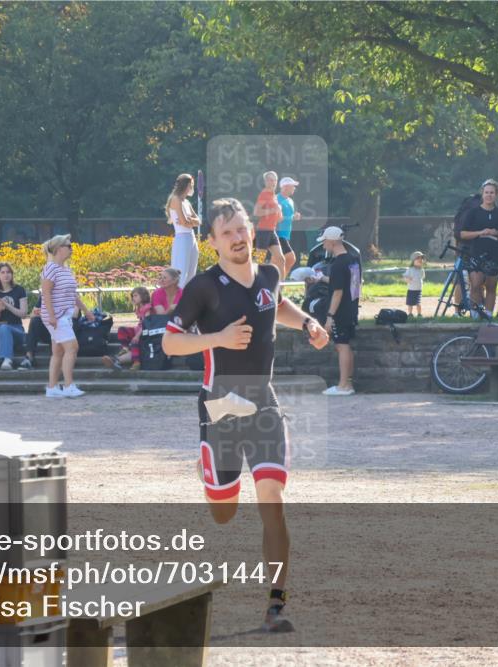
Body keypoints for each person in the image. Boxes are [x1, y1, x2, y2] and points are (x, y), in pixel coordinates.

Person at [162, 197, 329, 633]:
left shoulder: (270, 274)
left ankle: (276, 603)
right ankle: (208, 473)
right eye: (227, 232)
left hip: (263, 403)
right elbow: (170, 342)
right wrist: (217, 338)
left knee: (271, 497)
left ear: (251, 232)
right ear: (213, 242)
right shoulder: (203, 287)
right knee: (224, 513)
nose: (237, 238)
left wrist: (308, 322)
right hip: (219, 406)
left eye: (241, 229)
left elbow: (275, 303)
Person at [41, 234, 96, 398]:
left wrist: (86, 310)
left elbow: (73, 294)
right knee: (72, 347)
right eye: (69, 246)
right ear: (59, 249)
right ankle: (68, 385)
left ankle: (52, 387)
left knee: (58, 351)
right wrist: (52, 316)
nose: (72, 249)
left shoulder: (66, 269)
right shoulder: (50, 268)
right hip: (56, 316)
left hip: (64, 315)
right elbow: (46, 293)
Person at [316, 226, 361, 396]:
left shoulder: (337, 264)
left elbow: (338, 291)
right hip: (351, 308)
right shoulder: (352, 259)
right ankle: (348, 383)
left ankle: (343, 386)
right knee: (346, 345)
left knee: (341, 346)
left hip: (340, 311)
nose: (323, 245)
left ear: (332, 242)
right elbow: (349, 284)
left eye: (325, 242)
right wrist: (321, 278)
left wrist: (330, 316)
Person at [460, 179, 498, 315]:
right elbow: (463, 234)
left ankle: (488, 315)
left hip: (495, 254)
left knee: (491, 286)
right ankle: (475, 314)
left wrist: (497, 233)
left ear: (496, 195)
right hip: (476, 252)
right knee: (476, 285)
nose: (489, 195)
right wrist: (480, 233)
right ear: (482, 194)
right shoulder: (473, 212)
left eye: (492, 193)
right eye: (486, 192)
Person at [103, 287, 152, 371]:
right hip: (138, 329)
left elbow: (146, 324)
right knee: (122, 329)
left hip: (144, 331)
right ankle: (125, 348)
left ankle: (136, 362)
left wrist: (137, 336)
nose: (133, 298)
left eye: (136, 296)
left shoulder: (147, 307)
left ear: (143, 296)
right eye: (133, 296)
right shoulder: (139, 308)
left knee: (134, 341)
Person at [166, 173, 201, 288]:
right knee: (180, 273)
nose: (192, 188)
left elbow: (198, 221)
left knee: (191, 274)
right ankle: (176, 298)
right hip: (182, 238)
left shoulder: (186, 202)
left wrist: (189, 221)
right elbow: (184, 222)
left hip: (191, 238)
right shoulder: (176, 199)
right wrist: (190, 221)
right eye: (192, 185)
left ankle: (187, 297)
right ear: (187, 185)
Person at [253, 171, 287, 277]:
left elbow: (279, 219)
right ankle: (254, 282)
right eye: (270, 180)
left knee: (281, 259)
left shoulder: (274, 196)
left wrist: (280, 213)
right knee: (259, 260)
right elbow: (256, 212)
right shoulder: (264, 194)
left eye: (274, 180)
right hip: (263, 230)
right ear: (266, 181)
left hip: (272, 231)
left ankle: (280, 285)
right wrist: (273, 210)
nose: (273, 182)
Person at [275, 176, 302, 276]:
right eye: (292, 186)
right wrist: (292, 217)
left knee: (277, 260)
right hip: (278, 234)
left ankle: (273, 280)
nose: (294, 188)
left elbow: (289, 216)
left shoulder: (290, 201)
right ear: (285, 187)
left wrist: (295, 217)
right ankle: (280, 279)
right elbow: (276, 218)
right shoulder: (276, 199)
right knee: (291, 258)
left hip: (286, 235)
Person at [17, 295, 50, 371]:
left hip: (61, 331)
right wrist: (41, 313)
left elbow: (74, 314)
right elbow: (32, 314)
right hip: (48, 331)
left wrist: (46, 313)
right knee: (35, 321)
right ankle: (29, 357)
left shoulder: (67, 293)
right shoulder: (45, 295)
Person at [404, 251, 426, 317]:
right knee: (410, 303)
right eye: (418, 258)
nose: (420, 260)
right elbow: (405, 276)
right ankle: (410, 314)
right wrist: (407, 279)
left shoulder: (421, 270)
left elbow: (422, 277)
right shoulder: (410, 269)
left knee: (418, 303)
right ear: (413, 261)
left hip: (418, 290)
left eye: (421, 258)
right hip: (411, 290)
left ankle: (419, 314)